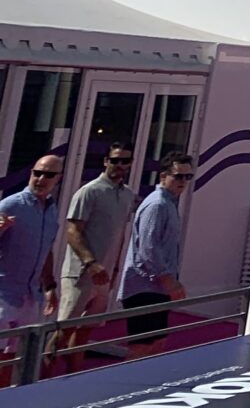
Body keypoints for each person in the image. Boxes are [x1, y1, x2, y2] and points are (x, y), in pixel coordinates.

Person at [56, 142, 137, 366]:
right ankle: (38, 380)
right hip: (80, 274)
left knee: (84, 332)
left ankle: (72, 378)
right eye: (115, 160)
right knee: (63, 332)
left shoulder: (127, 195)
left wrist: (116, 268)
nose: (119, 165)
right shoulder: (89, 191)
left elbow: (120, 234)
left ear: (130, 164)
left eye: (124, 161)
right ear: (106, 161)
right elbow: (73, 231)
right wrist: (91, 263)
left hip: (105, 276)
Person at [118, 151, 193, 357]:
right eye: (178, 176)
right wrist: (168, 281)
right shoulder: (157, 204)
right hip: (144, 287)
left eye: (187, 176)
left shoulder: (169, 203)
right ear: (163, 176)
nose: (183, 182)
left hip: (156, 288)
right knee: (143, 345)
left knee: (158, 341)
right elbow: (149, 248)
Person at [0, 155, 64, 383]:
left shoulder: (51, 210)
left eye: (48, 175)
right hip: (4, 292)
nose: (41, 179)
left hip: (30, 295)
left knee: (17, 355)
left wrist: (50, 286)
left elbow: (46, 249)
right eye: (37, 173)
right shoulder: (11, 204)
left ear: (58, 178)